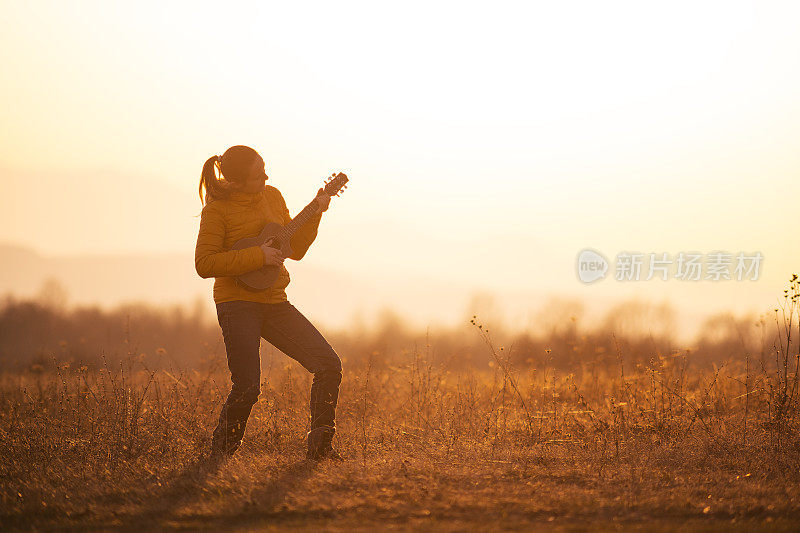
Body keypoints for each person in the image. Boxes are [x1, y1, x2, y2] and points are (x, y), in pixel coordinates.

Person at [194, 145, 343, 461]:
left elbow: (296, 248)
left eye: (264, 169)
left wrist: (316, 213)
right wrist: (257, 255)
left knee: (329, 364)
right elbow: (204, 264)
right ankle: (219, 456)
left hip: (275, 300)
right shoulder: (217, 211)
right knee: (247, 387)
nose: (266, 177)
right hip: (236, 303)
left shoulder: (272, 196)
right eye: (257, 175)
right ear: (235, 182)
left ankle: (321, 450)